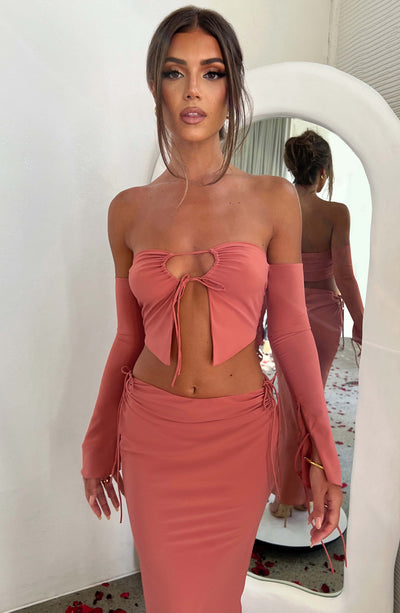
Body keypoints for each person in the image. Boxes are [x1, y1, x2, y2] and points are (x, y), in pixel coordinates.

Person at [81, 8, 343, 612]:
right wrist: (98, 440)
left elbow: (292, 332)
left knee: (221, 597)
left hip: (239, 437)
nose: (193, 90)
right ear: (156, 87)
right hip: (153, 435)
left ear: (232, 87)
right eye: (175, 73)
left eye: (212, 72)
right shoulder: (127, 210)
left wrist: (323, 451)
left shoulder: (273, 199)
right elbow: (127, 339)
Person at [269, 129, 364, 521]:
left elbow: (264, 270)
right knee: (310, 404)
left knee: (288, 404)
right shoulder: (336, 213)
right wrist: (361, 322)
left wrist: (256, 324)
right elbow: (345, 275)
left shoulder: (276, 207)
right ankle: (298, 493)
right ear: (323, 172)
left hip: (285, 312)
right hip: (323, 318)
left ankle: (286, 495)